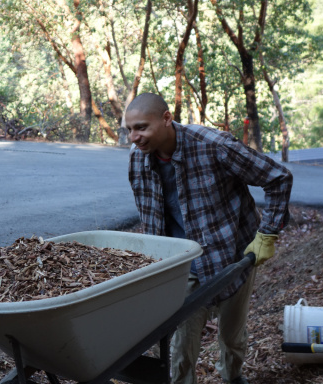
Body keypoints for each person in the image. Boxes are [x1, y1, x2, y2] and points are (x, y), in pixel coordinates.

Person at [125, 93, 292, 384]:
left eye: (141, 127)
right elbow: (150, 217)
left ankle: (232, 377)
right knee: (182, 341)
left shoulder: (213, 146)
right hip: (180, 264)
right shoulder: (138, 159)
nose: (133, 137)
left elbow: (277, 177)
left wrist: (267, 234)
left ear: (166, 118)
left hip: (232, 254)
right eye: (129, 129)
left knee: (232, 334)